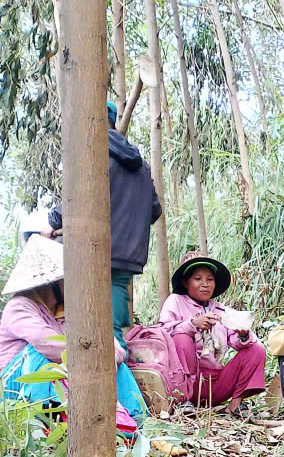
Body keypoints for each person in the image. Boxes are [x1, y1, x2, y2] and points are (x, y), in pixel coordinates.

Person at [47, 102, 162, 349]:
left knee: (105, 336)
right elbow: (155, 210)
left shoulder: (93, 153)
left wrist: (53, 222)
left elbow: (75, 199)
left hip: (95, 253)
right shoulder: (141, 166)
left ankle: (124, 388)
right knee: (110, 329)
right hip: (127, 258)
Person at [0, 235, 146, 427]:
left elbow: (113, 347)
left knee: (112, 358)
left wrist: (104, 352)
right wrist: (97, 351)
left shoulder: (66, 312)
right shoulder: (19, 307)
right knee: (39, 354)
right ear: (50, 283)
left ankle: (133, 418)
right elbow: (50, 346)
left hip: (59, 379)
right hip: (15, 390)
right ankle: (51, 419)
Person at [158, 251, 266, 413]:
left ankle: (235, 404)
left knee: (256, 349)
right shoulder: (175, 301)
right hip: (185, 385)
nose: (205, 284)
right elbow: (163, 332)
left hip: (216, 384)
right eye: (197, 279)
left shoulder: (220, 309)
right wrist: (192, 324)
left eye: (210, 279)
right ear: (185, 282)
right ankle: (184, 401)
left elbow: (238, 342)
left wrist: (243, 334)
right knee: (181, 337)